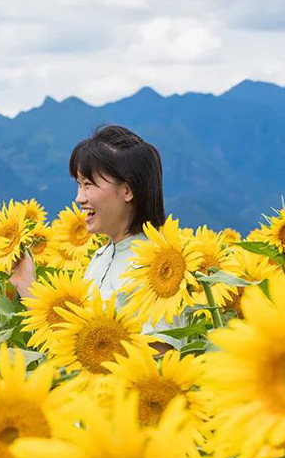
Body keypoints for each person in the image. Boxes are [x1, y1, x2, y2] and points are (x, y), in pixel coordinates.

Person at [10, 124, 178, 350]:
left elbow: (159, 358)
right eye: (79, 185)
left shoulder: (159, 267)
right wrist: (25, 284)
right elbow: (75, 351)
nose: (79, 198)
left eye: (88, 185)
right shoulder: (101, 257)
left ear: (127, 191)